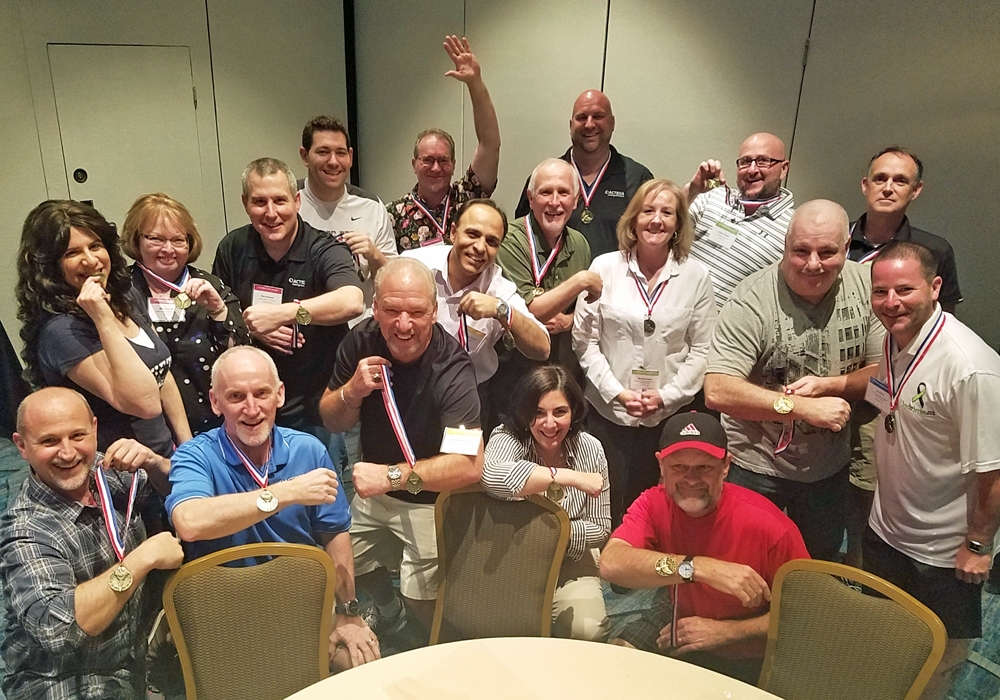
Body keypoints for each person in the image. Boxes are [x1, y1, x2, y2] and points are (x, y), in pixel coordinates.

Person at [166, 346, 376, 670]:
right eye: (236, 396)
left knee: (362, 660)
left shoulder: (308, 449)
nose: (252, 409)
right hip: (225, 610)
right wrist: (285, 493)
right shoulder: (196, 456)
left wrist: (347, 611)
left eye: (261, 393)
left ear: (279, 394)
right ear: (215, 402)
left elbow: (335, 535)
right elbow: (189, 522)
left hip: (300, 602)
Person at [703, 200, 885, 562]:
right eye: (801, 250)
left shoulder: (869, 285)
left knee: (816, 559)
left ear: (847, 247)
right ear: (785, 244)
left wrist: (830, 386)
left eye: (827, 252)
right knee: (744, 559)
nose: (813, 264)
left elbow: (887, 373)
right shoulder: (751, 299)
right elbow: (717, 389)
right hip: (755, 464)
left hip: (828, 466)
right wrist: (799, 407)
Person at [865, 241, 1000, 699]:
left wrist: (979, 544)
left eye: (904, 289)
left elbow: (994, 470)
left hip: (943, 551)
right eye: (880, 291)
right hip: (887, 530)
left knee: (936, 661)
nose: (891, 302)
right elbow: (888, 395)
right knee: (887, 644)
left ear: (936, 286)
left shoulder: (969, 367)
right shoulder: (895, 338)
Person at [319, 257, 483, 634]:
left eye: (416, 312)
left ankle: (430, 645)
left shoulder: (452, 367)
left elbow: (468, 465)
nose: (404, 325)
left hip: (429, 497)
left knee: (420, 598)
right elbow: (332, 418)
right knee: (341, 570)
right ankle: (388, 611)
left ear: (435, 311)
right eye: (391, 310)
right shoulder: (360, 340)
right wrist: (352, 391)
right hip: (373, 492)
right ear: (374, 307)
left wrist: (390, 477)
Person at [599, 411, 809, 685]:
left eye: (704, 468)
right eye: (679, 467)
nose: (691, 479)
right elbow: (611, 563)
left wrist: (725, 632)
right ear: (661, 465)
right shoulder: (653, 502)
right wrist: (696, 567)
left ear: (726, 466)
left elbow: (806, 615)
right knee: (614, 667)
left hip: (748, 647)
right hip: (678, 617)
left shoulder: (770, 526)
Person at [1, 387, 182, 699]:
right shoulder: (24, 529)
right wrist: (141, 560)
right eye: (49, 441)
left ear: (95, 429)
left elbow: (179, 493)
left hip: (134, 658)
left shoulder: (103, 470)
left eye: (77, 435)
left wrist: (155, 463)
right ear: (22, 446)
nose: (68, 452)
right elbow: (59, 630)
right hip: (63, 676)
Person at [845, 147, 964, 567]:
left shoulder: (932, 250)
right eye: (880, 178)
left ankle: (865, 586)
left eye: (900, 180)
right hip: (830, 384)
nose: (888, 187)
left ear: (916, 190)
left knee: (871, 497)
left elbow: (940, 326)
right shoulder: (836, 239)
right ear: (865, 185)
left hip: (889, 394)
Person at [573, 179, 717, 525]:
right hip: (608, 412)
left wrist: (667, 396)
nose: (656, 220)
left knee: (653, 500)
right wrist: (616, 393)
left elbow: (702, 348)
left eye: (667, 212)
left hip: (667, 416)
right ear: (633, 219)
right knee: (602, 497)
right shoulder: (603, 268)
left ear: (679, 223)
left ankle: (642, 564)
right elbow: (585, 341)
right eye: (648, 211)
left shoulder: (697, 276)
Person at [212, 158, 363, 468]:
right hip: (254, 408)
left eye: (280, 200)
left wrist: (286, 314)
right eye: (259, 202)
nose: (271, 213)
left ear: (296, 201)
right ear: (245, 204)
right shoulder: (233, 247)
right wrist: (252, 328)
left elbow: (352, 301)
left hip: (316, 405)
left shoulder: (323, 248)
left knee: (322, 497)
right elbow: (220, 312)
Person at [16, 200, 190, 457]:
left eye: (95, 246)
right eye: (72, 253)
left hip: (164, 455)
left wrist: (188, 448)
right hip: (120, 472)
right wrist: (102, 317)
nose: (90, 260)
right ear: (50, 266)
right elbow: (145, 403)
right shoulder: (61, 331)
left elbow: (161, 374)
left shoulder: (125, 293)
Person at [481, 365, 610, 641]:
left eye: (559, 412)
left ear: (574, 411)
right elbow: (491, 476)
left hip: (570, 561)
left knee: (589, 631)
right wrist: (569, 477)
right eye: (538, 413)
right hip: (511, 560)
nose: (549, 424)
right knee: (508, 636)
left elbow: (600, 528)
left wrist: (551, 534)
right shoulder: (507, 436)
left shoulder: (591, 448)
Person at [122, 193, 252, 435]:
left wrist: (218, 311)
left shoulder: (210, 284)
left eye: (178, 240)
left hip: (214, 423)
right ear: (136, 240)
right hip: (147, 429)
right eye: (156, 239)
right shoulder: (122, 292)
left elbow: (242, 355)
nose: (168, 249)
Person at [401, 199, 550, 394]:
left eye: (491, 241)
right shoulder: (412, 265)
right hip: (407, 384)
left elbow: (543, 349)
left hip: (468, 392)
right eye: (473, 234)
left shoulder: (499, 290)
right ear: (453, 233)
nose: (480, 247)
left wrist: (501, 310)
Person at [495, 158, 601, 387]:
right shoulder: (510, 239)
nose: (555, 202)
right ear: (530, 199)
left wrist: (570, 321)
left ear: (575, 201)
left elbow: (588, 310)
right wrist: (580, 280)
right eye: (545, 193)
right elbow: (531, 312)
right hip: (513, 374)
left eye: (563, 193)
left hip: (563, 374)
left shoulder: (580, 244)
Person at [388, 36, 500, 250]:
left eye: (443, 160)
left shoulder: (468, 198)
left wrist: (475, 83)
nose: (436, 167)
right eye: (428, 160)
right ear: (414, 164)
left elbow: (490, 144)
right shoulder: (393, 215)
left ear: (454, 164)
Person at [515, 90, 653, 258]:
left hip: (613, 283)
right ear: (571, 125)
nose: (589, 124)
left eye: (598, 116)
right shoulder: (545, 179)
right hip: (554, 282)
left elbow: (653, 237)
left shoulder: (637, 178)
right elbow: (523, 235)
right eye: (581, 117)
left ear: (612, 123)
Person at [298, 115, 397, 319]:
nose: (333, 161)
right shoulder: (287, 202)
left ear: (350, 156)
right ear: (305, 156)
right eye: (323, 152)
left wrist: (373, 254)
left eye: (340, 153)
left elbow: (393, 280)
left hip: (359, 331)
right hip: (303, 326)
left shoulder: (372, 206)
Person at [683, 132, 795, 310]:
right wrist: (692, 190)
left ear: (784, 168)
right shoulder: (711, 196)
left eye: (762, 161)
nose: (752, 170)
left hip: (722, 334)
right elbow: (662, 226)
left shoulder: (793, 228)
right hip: (670, 318)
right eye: (745, 162)